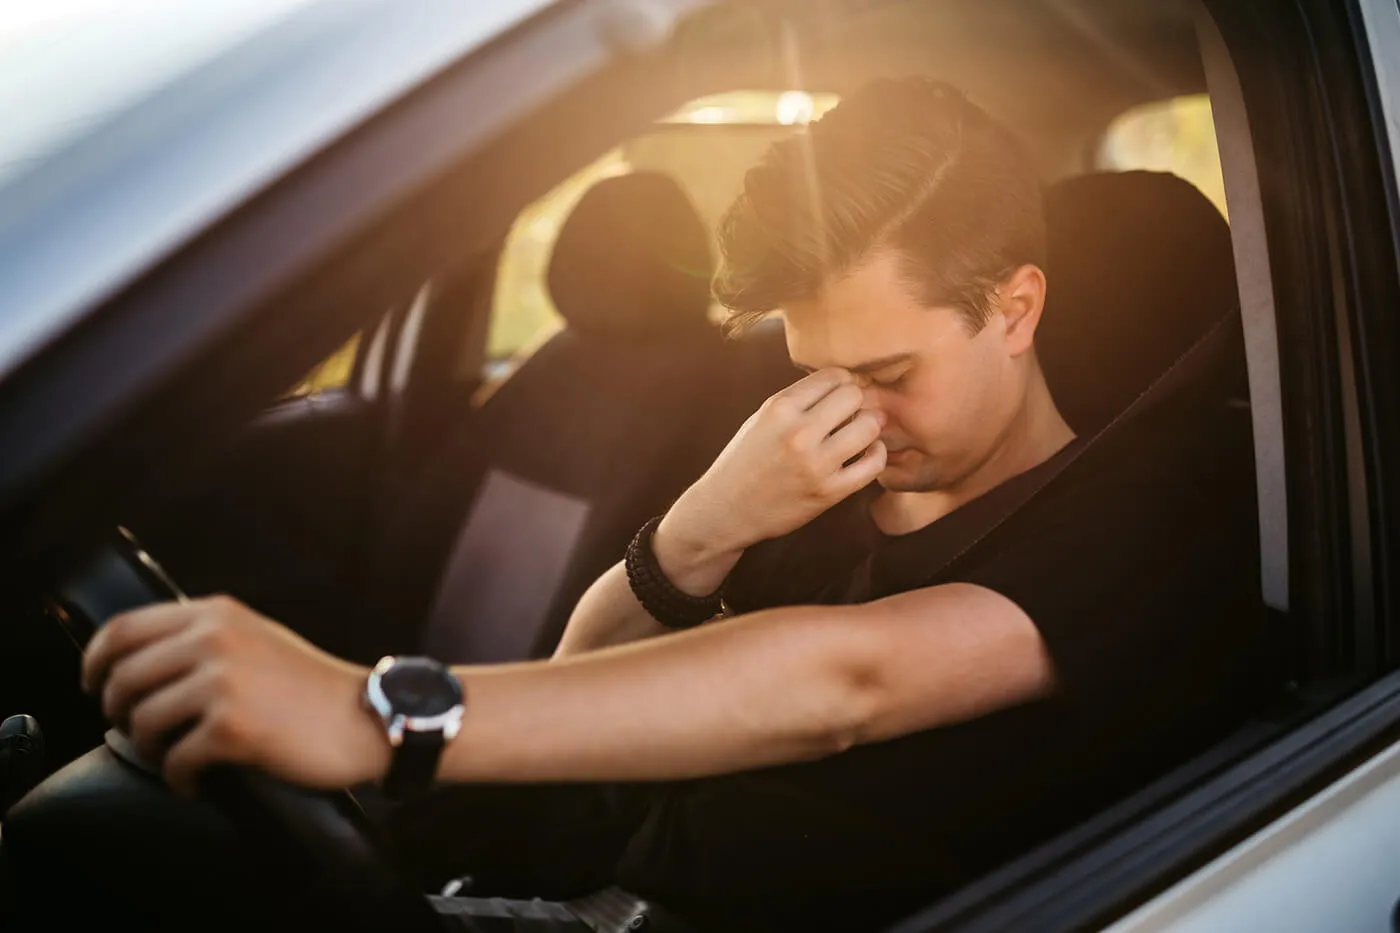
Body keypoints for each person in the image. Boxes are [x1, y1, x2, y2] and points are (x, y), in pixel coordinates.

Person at [82, 78, 1271, 932]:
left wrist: (380, 714)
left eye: (889, 374)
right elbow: (579, 659)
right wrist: (707, 520)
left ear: (1014, 310)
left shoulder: (1146, 519)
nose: (847, 411)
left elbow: (839, 685)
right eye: (812, 365)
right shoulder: (800, 455)